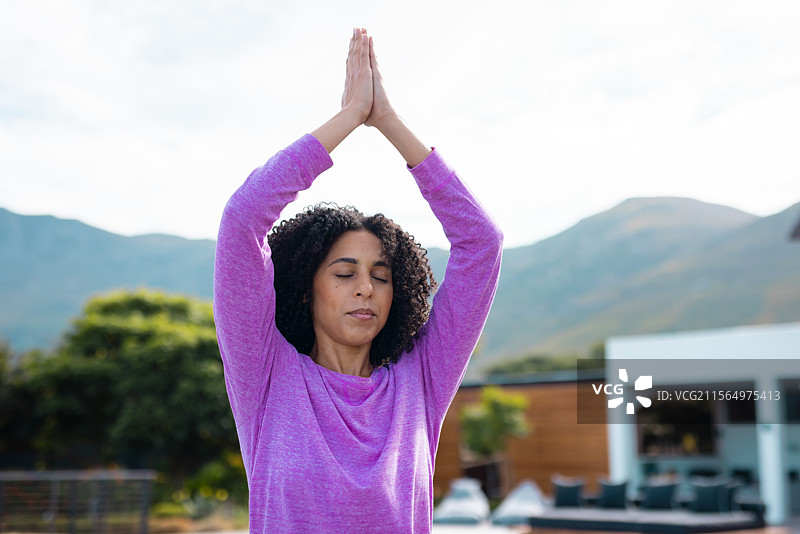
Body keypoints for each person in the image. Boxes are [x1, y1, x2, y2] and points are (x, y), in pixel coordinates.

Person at [213, 28, 503, 533]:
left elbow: (483, 242)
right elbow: (243, 220)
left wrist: (388, 121)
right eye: (344, 273)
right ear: (306, 287)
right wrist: (349, 118)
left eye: (382, 276)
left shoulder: (420, 383)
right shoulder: (265, 375)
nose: (365, 287)